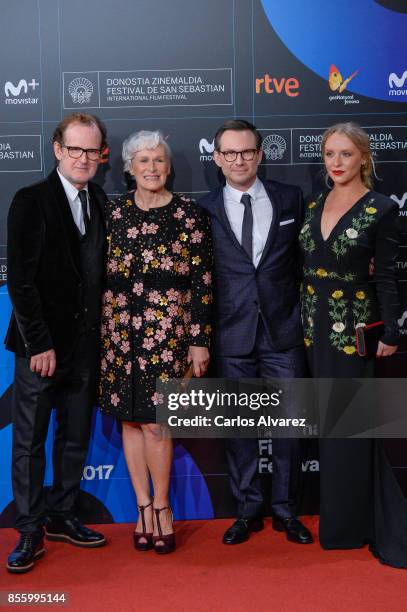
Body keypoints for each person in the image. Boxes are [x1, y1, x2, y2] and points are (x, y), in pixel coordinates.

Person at [199, 119, 313, 546]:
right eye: (229, 152)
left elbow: (307, 261)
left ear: (260, 154)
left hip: (284, 332)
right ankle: (247, 509)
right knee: (240, 428)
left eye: (247, 151)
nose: (239, 160)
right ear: (217, 158)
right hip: (231, 335)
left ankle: (286, 511)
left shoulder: (291, 199)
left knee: (290, 428)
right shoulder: (204, 209)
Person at [99, 130, 212, 554]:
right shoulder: (111, 213)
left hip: (168, 335)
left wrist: (199, 340)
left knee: (156, 422)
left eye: (158, 160)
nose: (151, 168)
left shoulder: (190, 214)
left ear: (169, 166)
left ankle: (163, 508)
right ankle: (142, 507)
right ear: (129, 168)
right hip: (117, 333)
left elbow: (202, 283)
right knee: (129, 420)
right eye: (143, 161)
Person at [300, 121, 407, 567]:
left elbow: (386, 275)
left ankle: (349, 526)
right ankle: (346, 518)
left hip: (352, 331)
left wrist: (392, 332)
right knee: (330, 424)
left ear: (364, 156)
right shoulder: (314, 204)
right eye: (329, 154)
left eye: (346, 154)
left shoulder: (381, 208)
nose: (337, 163)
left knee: (349, 426)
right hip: (311, 327)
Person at [5, 113, 108, 573]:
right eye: (76, 150)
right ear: (57, 150)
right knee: (29, 442)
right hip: (40, 348)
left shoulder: (101, 200)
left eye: (93, 151)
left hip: (87, 346)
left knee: (75, 436)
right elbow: (21, 282)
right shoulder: (30, 200)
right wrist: (39, 343)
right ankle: (29, 529)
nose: (84, 159)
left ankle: (64, 514)